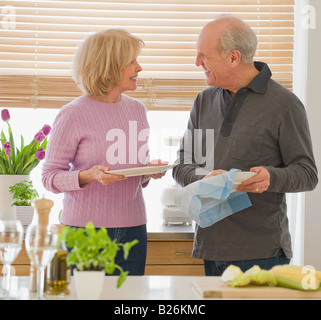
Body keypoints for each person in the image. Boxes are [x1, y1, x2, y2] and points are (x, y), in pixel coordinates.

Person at [172, 16, 318, 276]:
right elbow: (183, 164)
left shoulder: (285, 105)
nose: (197, 62)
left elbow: (307, 173)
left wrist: (269, 177)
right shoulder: (204, 101)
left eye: (204, 55)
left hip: (262, 253)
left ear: (233, 58)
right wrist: (205, 177)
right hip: (210, 246)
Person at [42, 29, 167, 276]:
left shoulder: (137, 110)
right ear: (108, 68)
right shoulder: (73, 113)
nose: (139, 68)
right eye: (131, 62)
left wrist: (148, 172)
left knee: (128, 303)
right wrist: (89, 175)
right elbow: (49, 177)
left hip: (133, 228)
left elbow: (131, 172)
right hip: (86, 231)